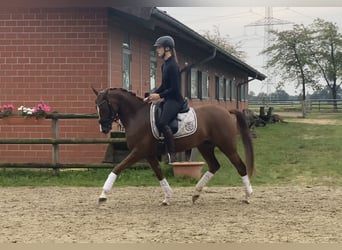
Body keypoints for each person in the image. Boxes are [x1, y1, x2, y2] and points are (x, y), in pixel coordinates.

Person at [144, 35, 183, 163]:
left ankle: (172, 154)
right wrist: (152, 95)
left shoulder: (173, 66)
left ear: (167, 48)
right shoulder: (164, 65)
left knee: (162, 122)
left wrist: (159, 96)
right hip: (167, 99)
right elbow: (163, 86)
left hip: (175, 100)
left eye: (159, 48)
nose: (157, 50)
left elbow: (175, 89)